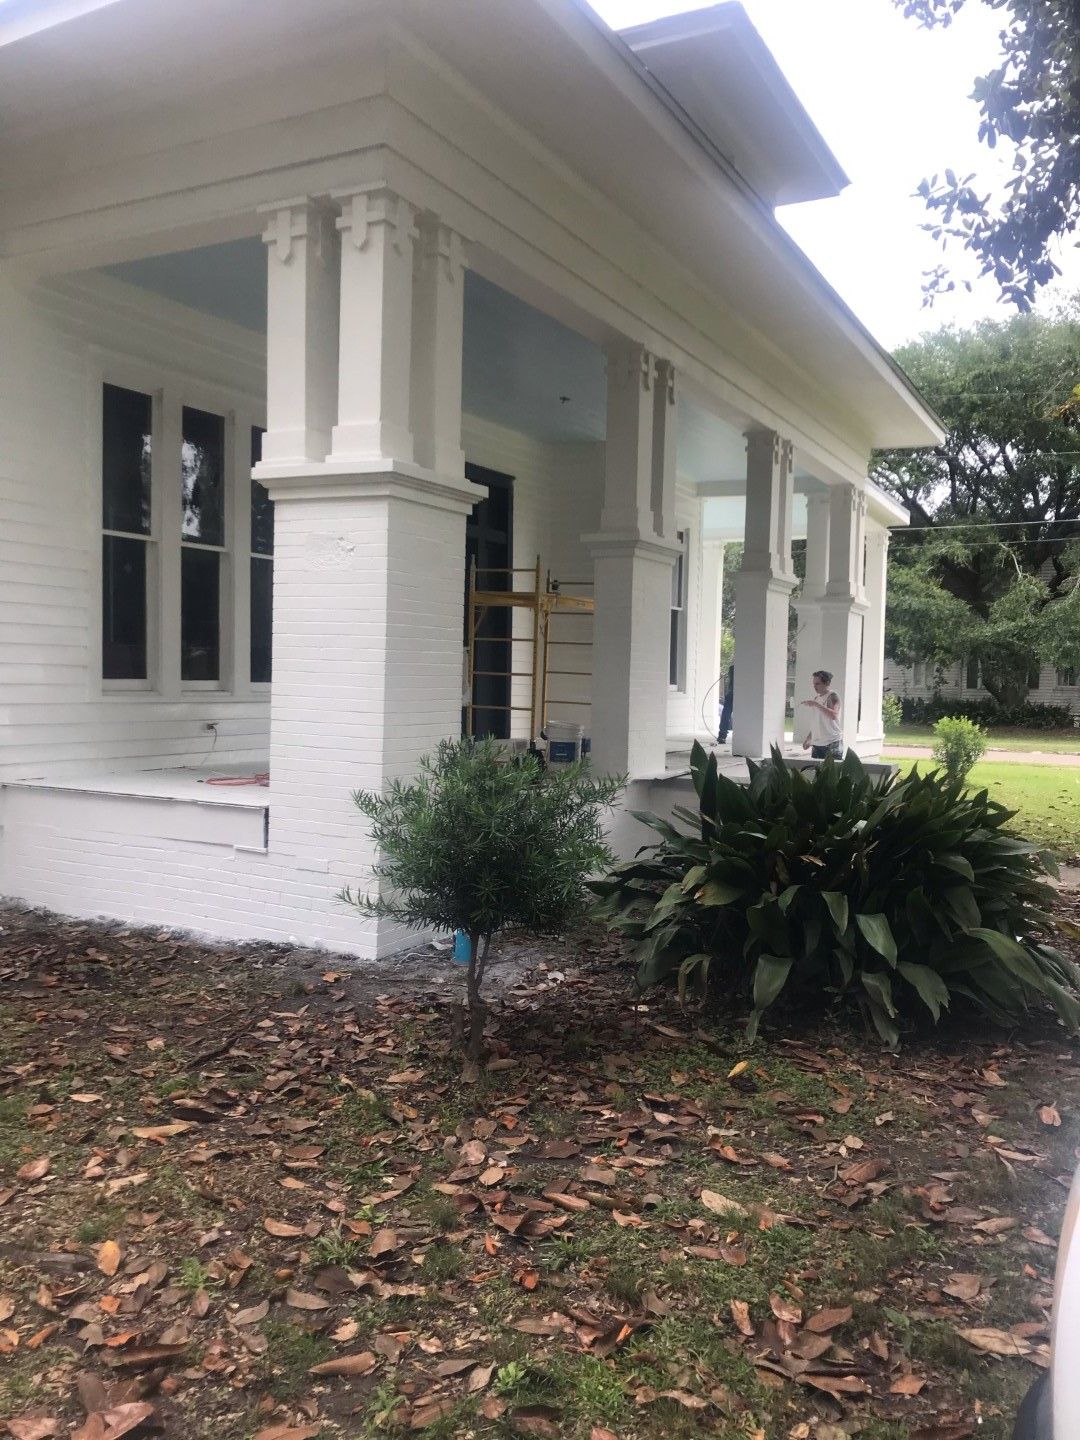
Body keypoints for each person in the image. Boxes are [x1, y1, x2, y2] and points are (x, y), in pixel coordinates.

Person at [800, 669, 843, 759]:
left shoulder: (832, 696)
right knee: (817, 768)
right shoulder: (817, 698)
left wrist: (816, 704)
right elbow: (816, 722)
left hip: (832, 742)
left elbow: (834, 715)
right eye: (814, 684)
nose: (814, 687)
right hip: (817, 744)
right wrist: (808, 738)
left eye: (817, 684)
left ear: (827, 683)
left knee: (832, 768)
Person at [717, 663, 734, 744]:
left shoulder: (732, 668)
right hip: (736, 694)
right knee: (726, 713)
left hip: (731, 694)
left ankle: (722, 736)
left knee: (726, 714)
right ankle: (722, 735)